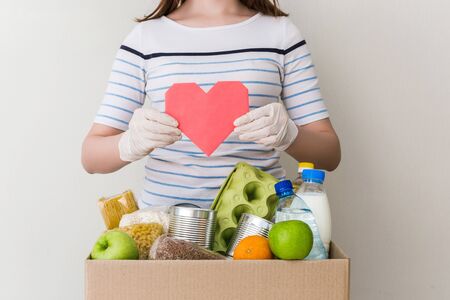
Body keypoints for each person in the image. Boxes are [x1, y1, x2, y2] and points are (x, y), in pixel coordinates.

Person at [81, 0, 341, 208]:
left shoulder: (281, 34)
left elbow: (330, 154)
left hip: (260, 229)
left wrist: (290, 136)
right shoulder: (145, 38)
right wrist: (130, 143)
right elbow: (91, 156)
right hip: (165, 228)